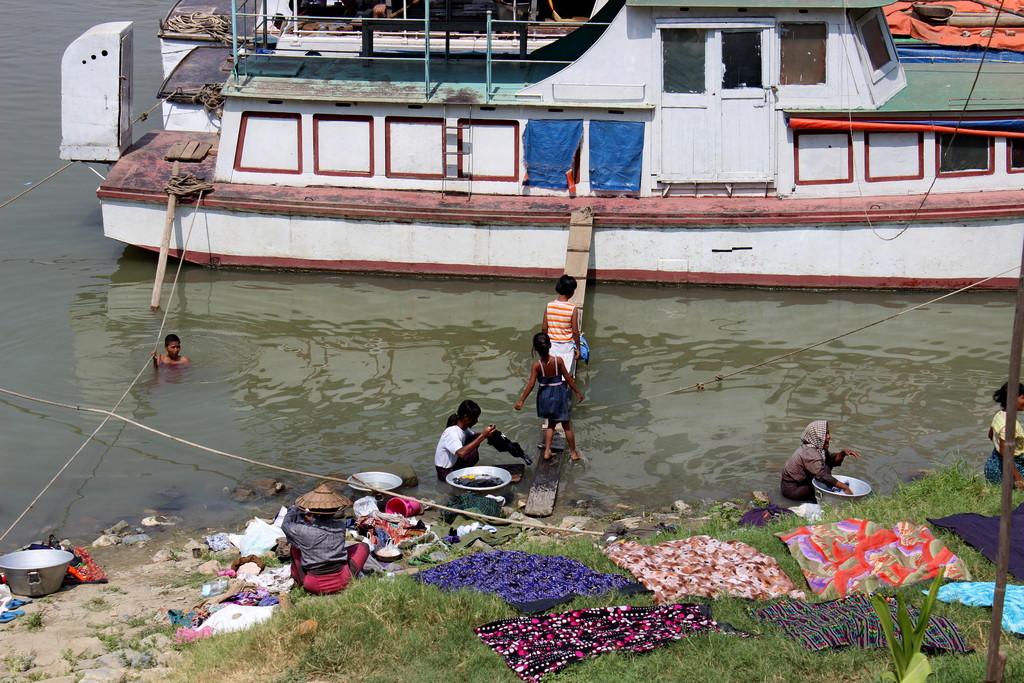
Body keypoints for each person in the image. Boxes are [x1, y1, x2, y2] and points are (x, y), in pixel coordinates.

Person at [281, 484, 370, 595]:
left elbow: (286, 525)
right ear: (335, 510)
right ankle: (351, 575)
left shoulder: (303, 531)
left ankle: (298, 580)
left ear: (312, 511)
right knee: (363, 547)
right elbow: (322, 529)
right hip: (343, 581)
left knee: (295, 548)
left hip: (313, 585)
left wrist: (294, 508)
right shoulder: (340, 526)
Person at [515, 332, 585, 461]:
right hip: (559, 393)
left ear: (535, 349)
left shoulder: (536, 365)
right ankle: (573, 452)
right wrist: (577, 392)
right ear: (550, 345)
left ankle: (547, 450)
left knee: (551, 424)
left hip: (545, 396)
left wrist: (521, 401)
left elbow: (531, 385)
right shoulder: (558, 361)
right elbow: (568, 378)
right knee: (566, 425)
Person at [780, 420, 861, 501]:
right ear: (817, 436)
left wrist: (843, 453)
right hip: (793, 489)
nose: (829, 437)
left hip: (802, 483)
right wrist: (845, 487)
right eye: (826, 434)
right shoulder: (809, 452)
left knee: (826, 470)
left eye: (828, 433)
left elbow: (832, 460)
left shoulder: (818, 449)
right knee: (824, 480)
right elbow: (823, 476)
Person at [434, 400, 497, 480]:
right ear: (466, 418)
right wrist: (483, 436)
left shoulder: (462, 428)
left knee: (473, 439)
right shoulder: (452, 432)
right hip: (445, 473)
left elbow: (473, 436)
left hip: (452, 467)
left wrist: (488, 434)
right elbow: (461, 453)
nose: (476, 421)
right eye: (475, 418)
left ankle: (461, 472)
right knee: (473, 452)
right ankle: (460, 475)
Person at [985, 381, 1024, 490]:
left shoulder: (1000, 415)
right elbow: (1007, 455)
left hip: (993, 463)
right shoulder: (1008, 425)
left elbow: (990, 435)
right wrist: (1019, 480)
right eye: (1023, 397)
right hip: (1007, 471)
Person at [541, 275, 581, 380]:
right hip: (566, 347)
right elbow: (575, 332)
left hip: (552, 346)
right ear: (572, 291)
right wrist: (578, 349)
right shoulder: (572, 309)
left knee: (552, 375)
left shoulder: (549, 305)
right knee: (566, 377)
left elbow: (544, 328)